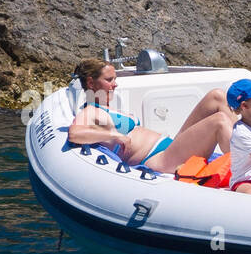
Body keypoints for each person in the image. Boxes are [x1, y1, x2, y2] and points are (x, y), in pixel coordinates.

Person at [68, 57, 232, 175]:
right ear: (90, 83)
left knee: (216, 96)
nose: (115, 84)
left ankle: (249, 145)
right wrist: (114, 135)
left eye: (115, 79)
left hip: (171, 147)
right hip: (160, 159)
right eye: (109, 80)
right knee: (219, 121)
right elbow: (75, 134)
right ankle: (244, 168)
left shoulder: (109, 107)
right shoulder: (91, 111)